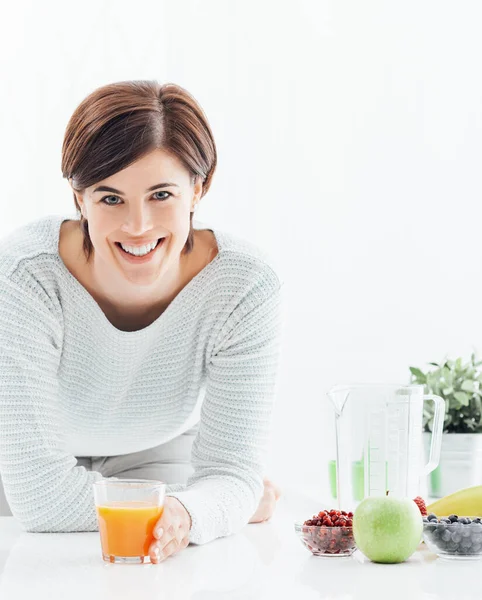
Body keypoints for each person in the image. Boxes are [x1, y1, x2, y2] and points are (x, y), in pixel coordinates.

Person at [0, 80, 284, 563]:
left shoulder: (245, 286)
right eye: (110, 198)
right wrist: (209, 506)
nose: (137, 226)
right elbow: (41, 497)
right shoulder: (23, 278)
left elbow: (231, 474)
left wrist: (200, 506)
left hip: (153, 455)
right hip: (16, 468)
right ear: (79, 197)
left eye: (161, 195)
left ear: (198, 189)